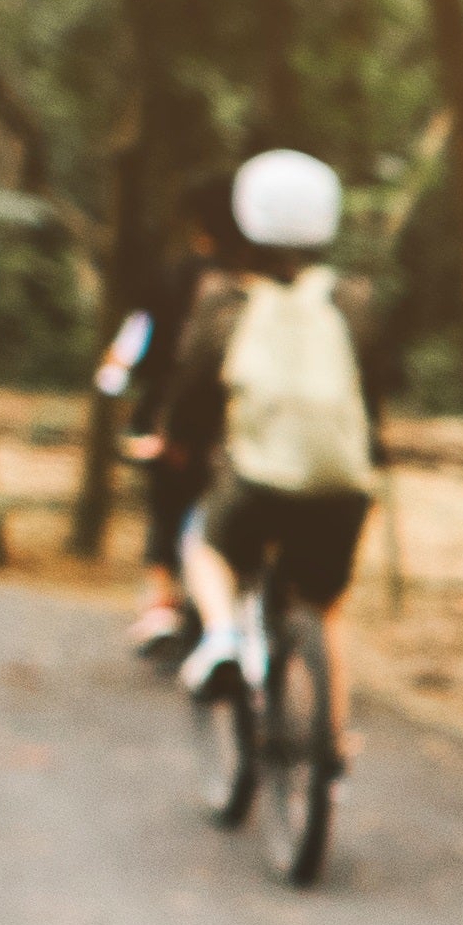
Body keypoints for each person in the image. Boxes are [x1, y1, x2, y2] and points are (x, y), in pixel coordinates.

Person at [166, 149, 383, 697]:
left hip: (256, 482)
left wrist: (176, 442)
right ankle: (330, 765)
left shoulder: (226, 302)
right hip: (343, 487)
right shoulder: (353, 301)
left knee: (203, 545)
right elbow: (377, 383)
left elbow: (192, 390)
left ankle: (219, 638)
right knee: (325, 608)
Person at [107, 173, 239, 665]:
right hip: (245, 427)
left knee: (167, 507)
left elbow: (133, 347)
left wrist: (118, 382)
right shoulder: (261, 284)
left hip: (181, 423)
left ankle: (162, 604)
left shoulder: (175, 277)